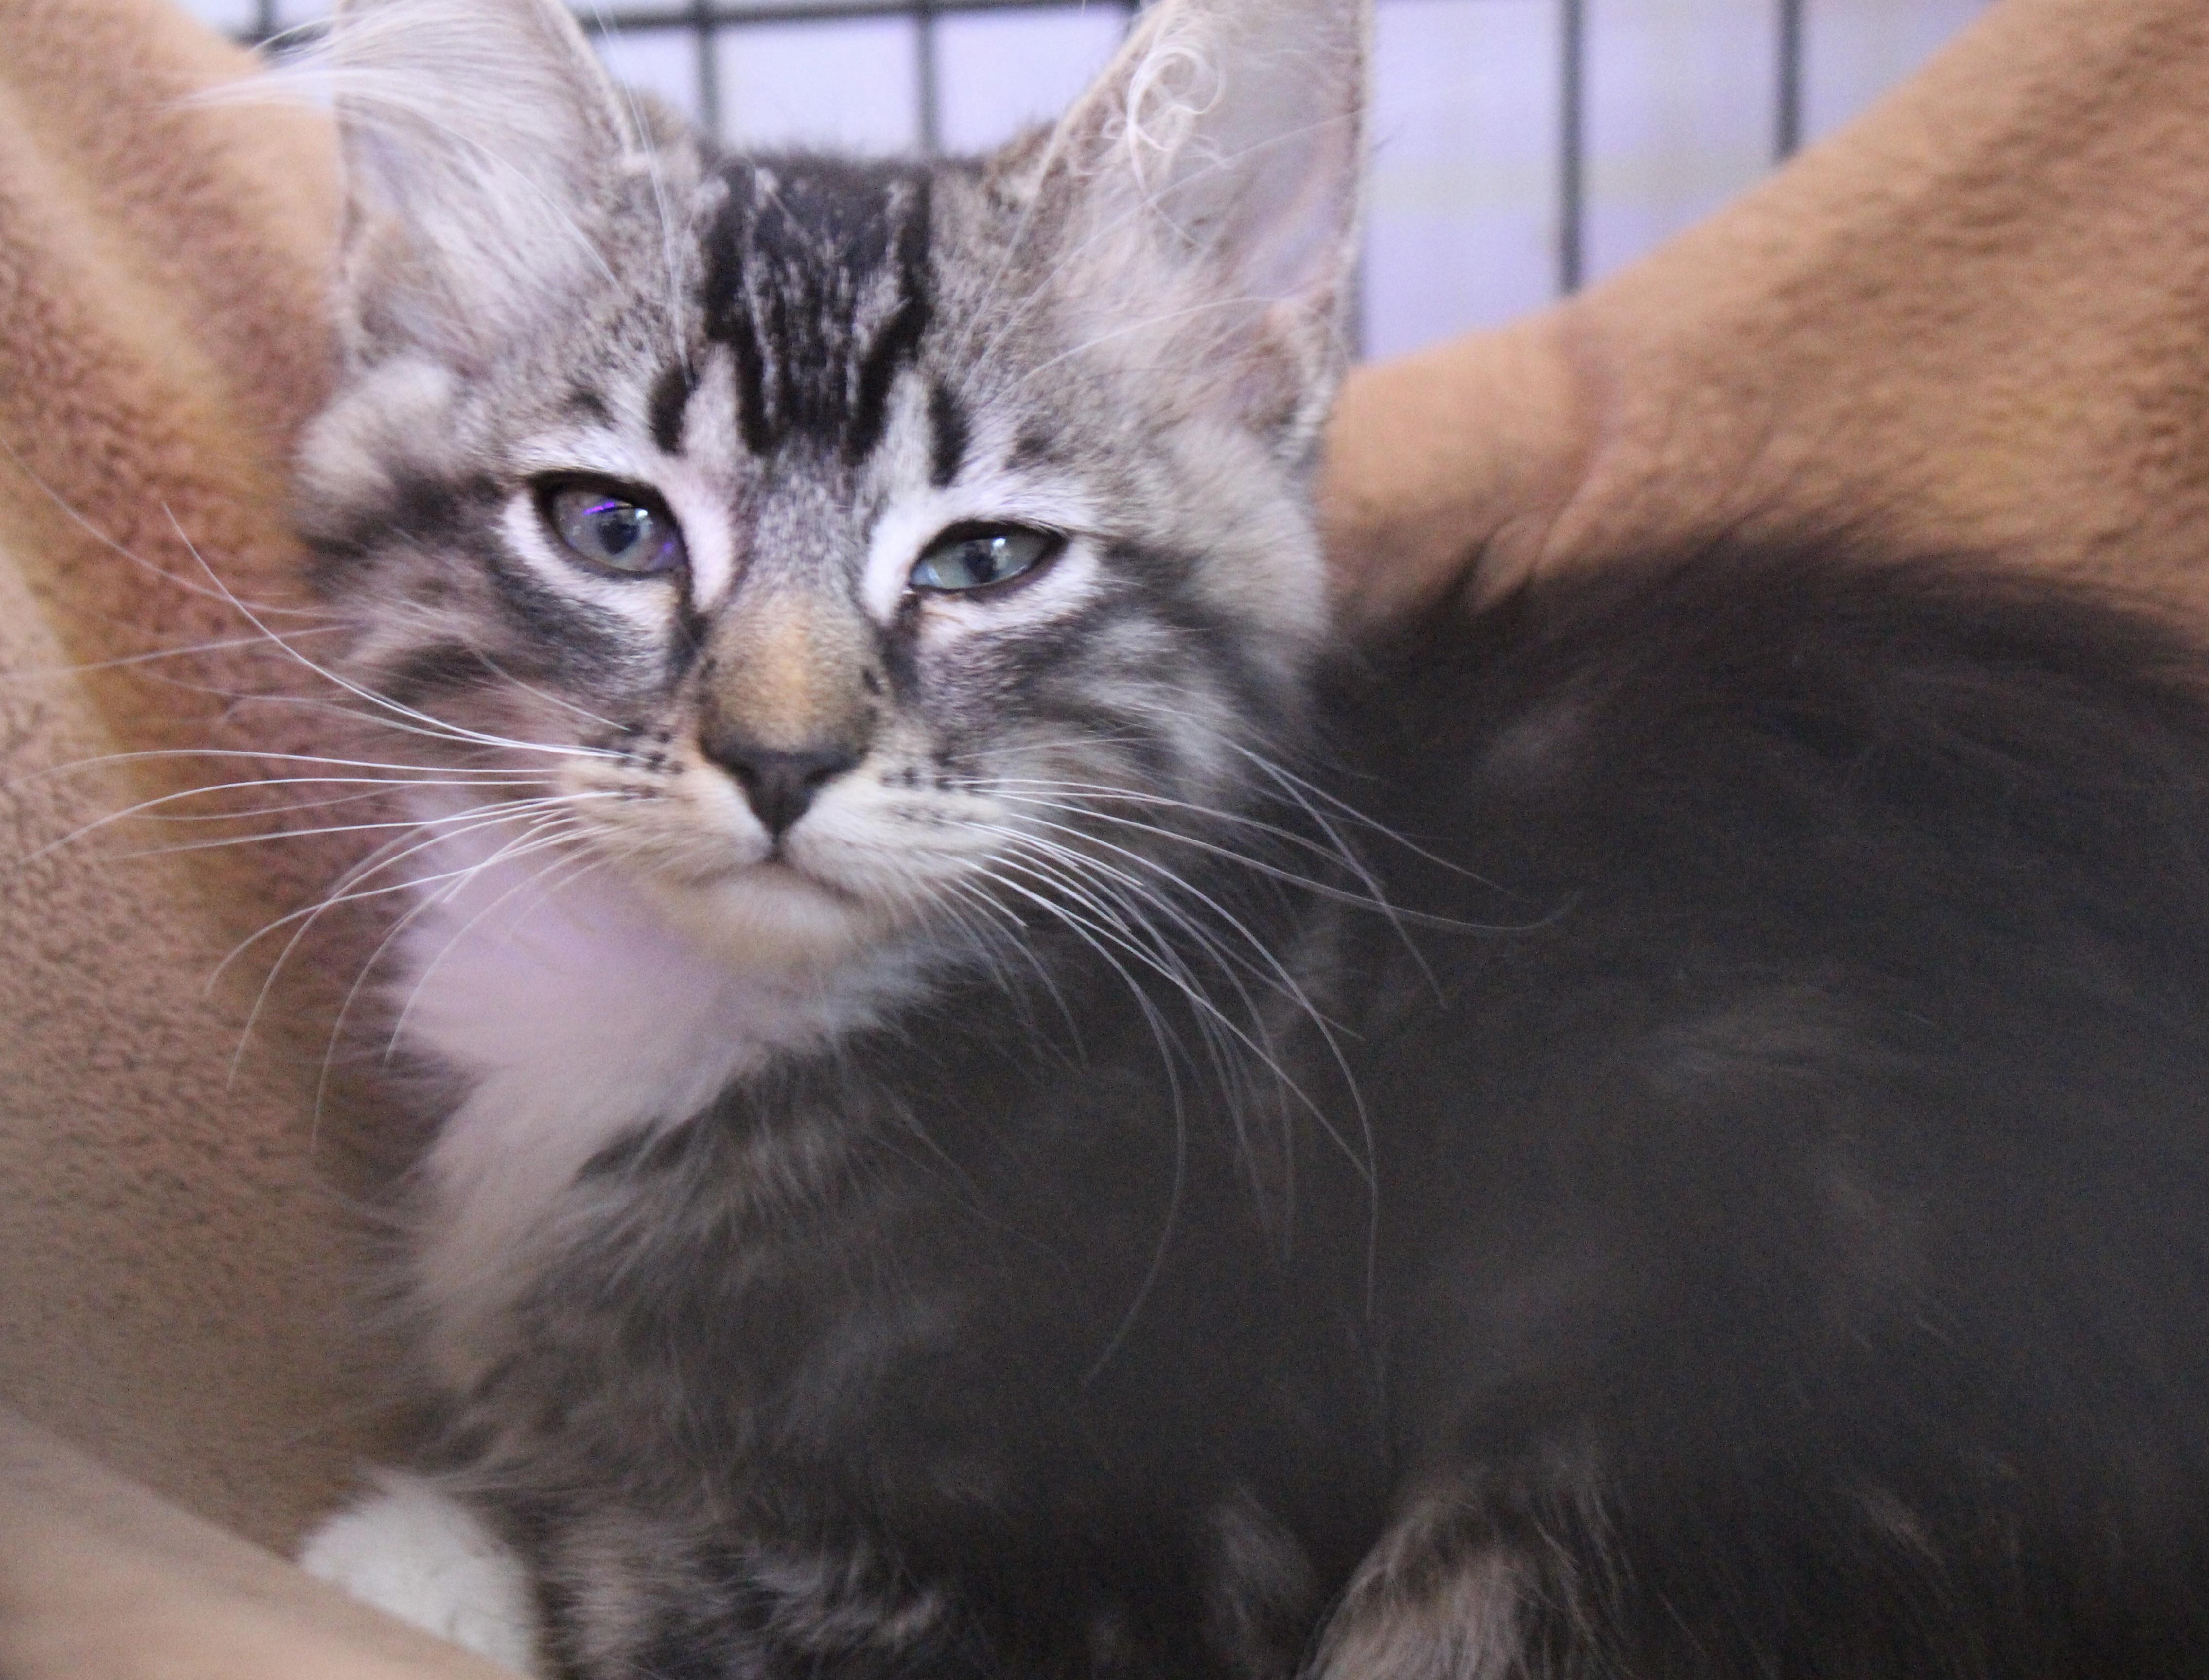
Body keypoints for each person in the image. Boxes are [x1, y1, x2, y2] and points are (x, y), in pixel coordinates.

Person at [2, 0, 2206, 1671]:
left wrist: (535, 1573)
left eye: (971, 564)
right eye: (614, 525)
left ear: (1243, 392)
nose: (781, 725)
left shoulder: (1139, 1111)